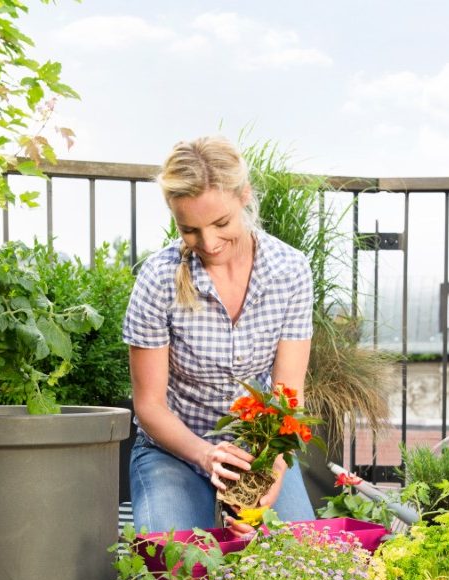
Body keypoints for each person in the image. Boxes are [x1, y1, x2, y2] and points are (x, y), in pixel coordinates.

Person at [123, 135, 316, 534]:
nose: (208, 243)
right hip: (173, 451)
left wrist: (272, 469)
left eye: (221, 223)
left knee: (300, 563)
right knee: (174, 574)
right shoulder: (158, 279)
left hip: (259, 452)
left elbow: (285, 396)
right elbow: (150, 406)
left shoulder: (289, 271)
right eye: (189, 229)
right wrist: (206, 455)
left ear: (244, 196)